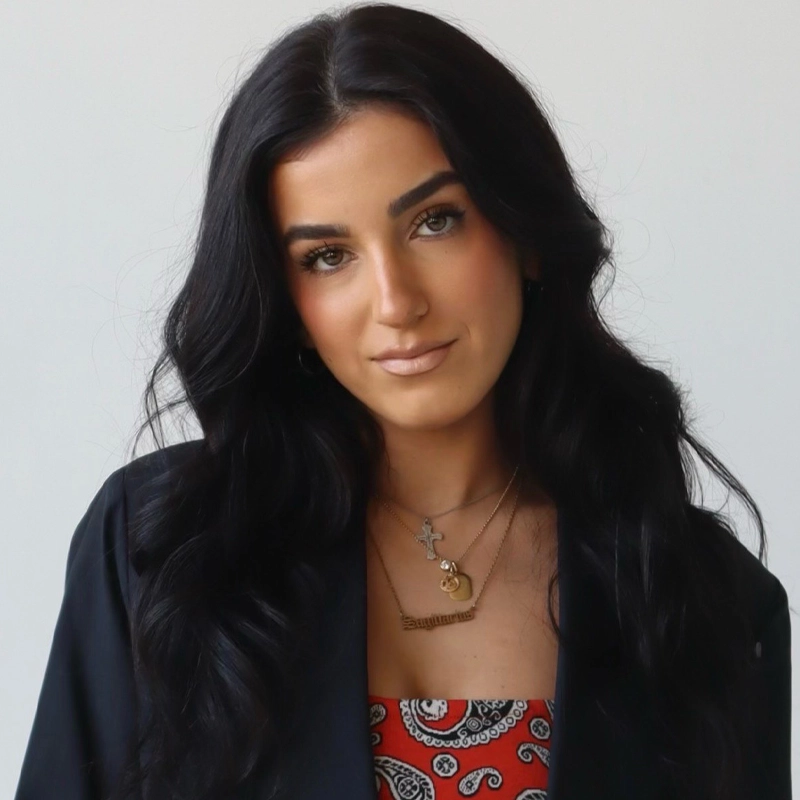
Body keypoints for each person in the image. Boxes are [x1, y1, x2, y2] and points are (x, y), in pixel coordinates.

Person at [14, 4, 792, 800]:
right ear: (283, 296)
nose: (395, 302)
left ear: (524, 233)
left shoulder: (700, 600)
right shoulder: (158, 556)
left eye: (435, 221)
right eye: (326, 257)